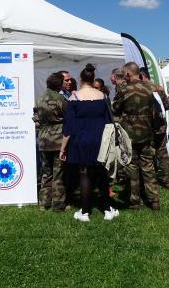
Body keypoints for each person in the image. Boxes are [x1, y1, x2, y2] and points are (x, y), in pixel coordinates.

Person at [60, 64, 118, 222]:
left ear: (80, 79)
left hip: (81, 140)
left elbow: (68, 127)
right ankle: (107, 209)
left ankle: (85, 212)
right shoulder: (103, 96)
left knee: (84, 175)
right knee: (102, 174)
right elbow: (109, 122)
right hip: (101, 140)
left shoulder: (74, 98)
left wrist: (63, 149)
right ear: (93, 79)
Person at [113, 62, 160, 210]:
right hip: (147, 133)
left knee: (131, 168)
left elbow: (115, 108)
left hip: (129, 136)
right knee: (148, 167)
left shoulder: (124, 90)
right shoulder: (150, 88)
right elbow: (156, 111)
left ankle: (135, 202)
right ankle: (154, 200)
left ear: (127, 74)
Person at [34, 72, 69, 212]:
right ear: (59, 84)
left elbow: (35, 117)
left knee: (46, 173)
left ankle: (43, 203)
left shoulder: (39, 98)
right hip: (58, 140)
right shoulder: (60, 98)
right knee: (59, 174)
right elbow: (68, 116)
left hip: (43, 139)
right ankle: (58, 205)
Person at [139, 68, 169, 190]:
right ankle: (166, 180)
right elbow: (166, 107)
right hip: (161, 126)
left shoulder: (142, 89)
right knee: (162, 154)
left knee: (147, 155)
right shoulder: (159, 88)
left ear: (142, 76)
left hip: (147, 127)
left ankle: (149, 181)